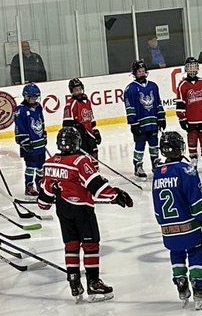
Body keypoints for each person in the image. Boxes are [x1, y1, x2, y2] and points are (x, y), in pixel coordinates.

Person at [38, 127, 133, 301]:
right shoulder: (80, 161)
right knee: (91, 245)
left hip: (63, 211)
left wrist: (46, 201)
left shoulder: (50, 163)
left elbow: (44, 197)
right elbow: (96, 186)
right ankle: (93, 283)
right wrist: (117, 194)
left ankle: (74, 281)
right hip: (82, 210)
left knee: (71, 244)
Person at [150, 131, 202, 309]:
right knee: (195, 250)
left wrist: (162, 222)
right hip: (188, 223)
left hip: (167, 225)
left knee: (176, 251)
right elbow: (195, 198)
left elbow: (156, 202)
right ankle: (198, 288)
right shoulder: (186, 169)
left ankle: (181, 283)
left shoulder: (158, 173)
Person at [125, 60, 165, 179]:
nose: (142, 74)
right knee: (140, 145)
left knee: (154, 143)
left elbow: (158, 102)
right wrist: (133, 123)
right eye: (139, 72)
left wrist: (161, 117)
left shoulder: (153, 86)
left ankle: (155, 163)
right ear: (135, 73)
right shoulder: (130, 89)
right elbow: (129, 107)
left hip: (153, 122)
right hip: (139, 123)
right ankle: (138, 165)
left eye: (143, 71)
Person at [175, 57, 202, 169]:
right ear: (186, 68)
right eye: (190, 67)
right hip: (191, 118)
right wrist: (182, 118)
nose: (192, 69)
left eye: (194, 66)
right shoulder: (183, 85)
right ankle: (193, 158)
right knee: (192, 138)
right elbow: (180, 103)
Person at [14, 84, 47, 195]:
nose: (34, 99)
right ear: (26, 96)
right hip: (30, 144)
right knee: (31, 166)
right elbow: (19, 126)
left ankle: (40, 184)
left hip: (40, 143)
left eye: (36, 97)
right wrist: (24, 141)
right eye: (32, 97)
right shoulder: (20, 110)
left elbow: (41, 122)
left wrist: (44, 134)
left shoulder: (38, 107)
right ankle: (29, 186)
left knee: (41, 166)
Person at [63, 77, 101, 157]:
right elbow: (67, 124)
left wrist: (95, 131)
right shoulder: (71, 104)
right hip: (79, 136)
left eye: (80, 89)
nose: (79, 92)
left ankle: (95, 169)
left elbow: (91, 120)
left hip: (90, 134)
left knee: (94, 153)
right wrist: (71, 138)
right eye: (76, 90)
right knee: (82, 157)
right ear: (72, 91)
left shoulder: (87, 101)